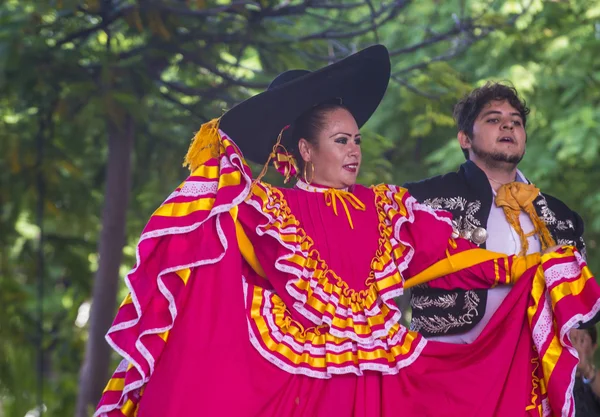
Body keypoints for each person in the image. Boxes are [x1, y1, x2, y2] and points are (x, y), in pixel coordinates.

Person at [94, 47, 600, 417]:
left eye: (356, 139)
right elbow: (205, 248)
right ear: (306, 151)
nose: (355, 151)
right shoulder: (267, 208)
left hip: (382, 376)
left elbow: (454, 259)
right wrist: (219, 172)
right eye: (341, 140)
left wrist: (533, 265)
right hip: (294, 379)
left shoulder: (386, 207)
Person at [403, 82, 592, 344]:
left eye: (516, 122)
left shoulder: (561, 218)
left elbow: (578, 303)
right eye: (494, 119)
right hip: (445, 367)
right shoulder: (420, 200)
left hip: (531, 369)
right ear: (465, 138)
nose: (508, 126)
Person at [571, 327, 600, 415]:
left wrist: (586, 369)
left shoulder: (595, 380)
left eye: (582, 340)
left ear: (594, 347)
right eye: (574, 339)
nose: (578, 347)